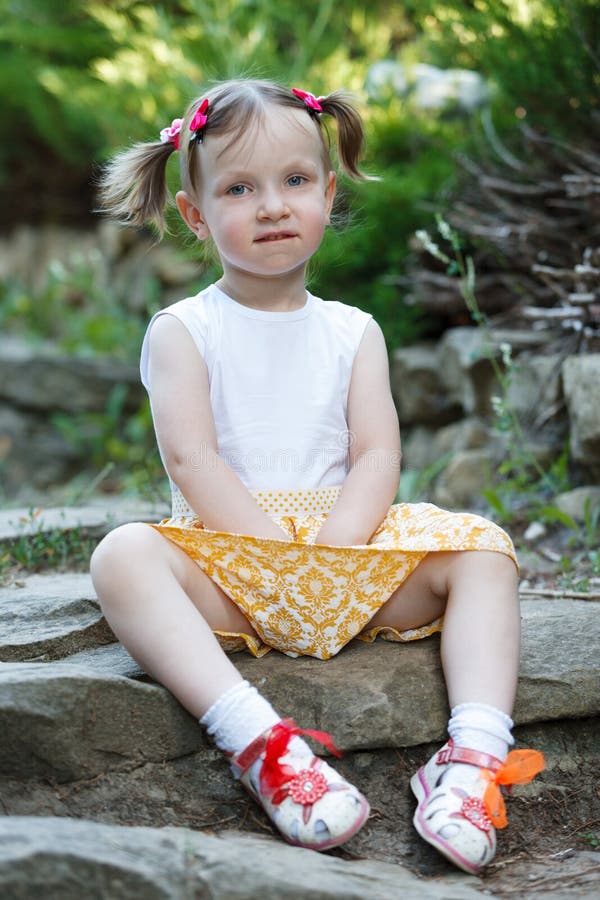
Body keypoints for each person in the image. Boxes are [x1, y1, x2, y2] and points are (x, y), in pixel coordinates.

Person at [91, 78, 543, 873]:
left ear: (328, 195)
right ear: (195, 213)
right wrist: (274, 554)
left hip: (345, 551)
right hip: (235, 559)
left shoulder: (351, 331)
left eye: (295, 181)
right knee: (122, 558)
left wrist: (336, 548)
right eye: (240, 188)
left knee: (485, 550)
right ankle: (266, 748)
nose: (272, 205)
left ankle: (471, 759)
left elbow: (376, 453)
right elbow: (193, 458)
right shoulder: (184, 331)